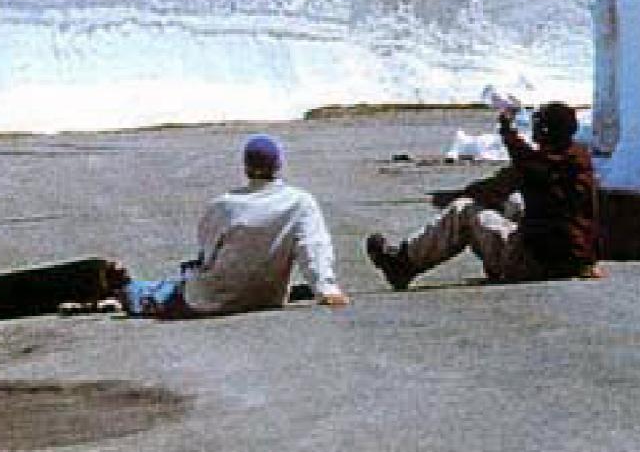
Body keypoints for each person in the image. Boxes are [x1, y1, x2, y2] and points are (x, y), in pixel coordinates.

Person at [364, 101, 601, 292]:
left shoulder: (536, 165)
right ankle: (505, 257)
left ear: (545, 132)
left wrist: (457, 196)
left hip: (535, 262)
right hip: (575, 261)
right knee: (515, 203)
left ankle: (403, 263)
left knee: (463, 211)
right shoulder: (578, 158)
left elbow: (497, 185)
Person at [120, 132, 350, 318]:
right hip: (265, 298)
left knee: (154, 291)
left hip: (210, 300)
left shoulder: (225, 205)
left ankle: (121, 289)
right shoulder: (300, 202)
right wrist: (326, 289)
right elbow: (313, 248)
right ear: (278, 164)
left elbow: (207, 253)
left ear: (246, 166)